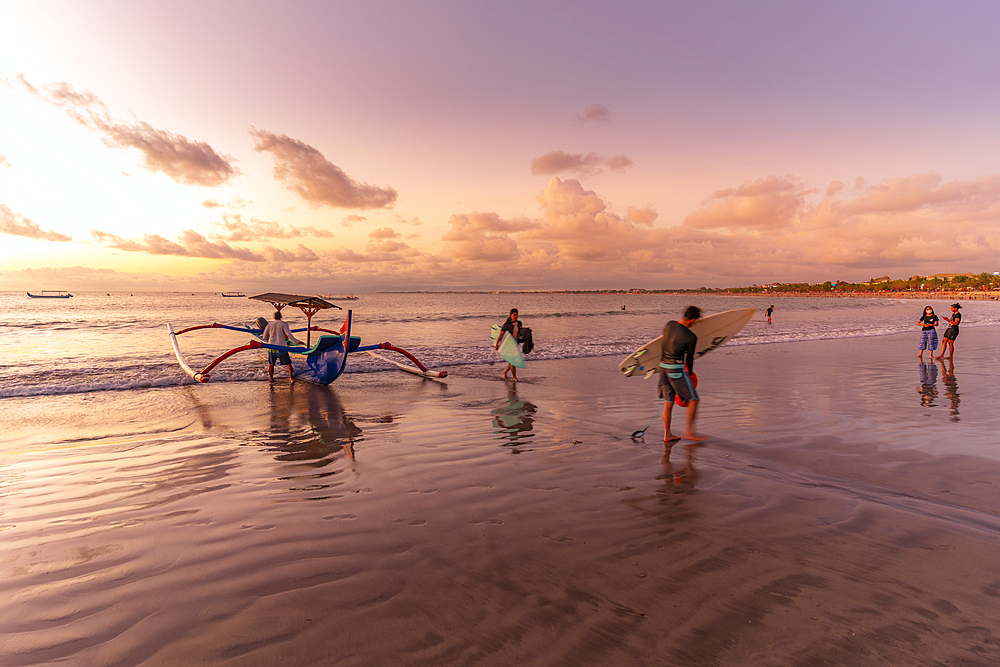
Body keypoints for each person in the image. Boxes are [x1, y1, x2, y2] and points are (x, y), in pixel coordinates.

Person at [659, 305, 706, 443]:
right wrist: (690, 373)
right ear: (693, 321)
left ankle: (667, 434)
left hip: (662, 367)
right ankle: (689, 432)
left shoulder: (669, 325)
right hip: (675, 369)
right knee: (694, 400)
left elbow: (665, 342)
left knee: (668, 402)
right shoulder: (691, 336)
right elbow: (689, 358)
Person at [261, 310, 303, 382]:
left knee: (271, 364)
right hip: (281, 347)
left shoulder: (269, 325)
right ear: (281, 317)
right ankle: (291, 378)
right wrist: (297, 342)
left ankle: (271, 379)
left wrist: (269, 342)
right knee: (288, 363)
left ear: (274, 317)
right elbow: (289, 335)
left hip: (272, 347)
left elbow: (264, 337)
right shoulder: (284, 324)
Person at [496, 308, 522, 380]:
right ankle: (514, 377)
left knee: (512, 361)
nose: (515, 316)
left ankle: (504, 372)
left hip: (516, 345)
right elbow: (501, 335)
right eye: (514, 315)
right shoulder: (506, 324)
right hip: (508, 345)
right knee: (513, 362)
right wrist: (497, 343)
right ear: (510, 315)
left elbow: (520, 333)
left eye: (516, 315)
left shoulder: (519, 323)